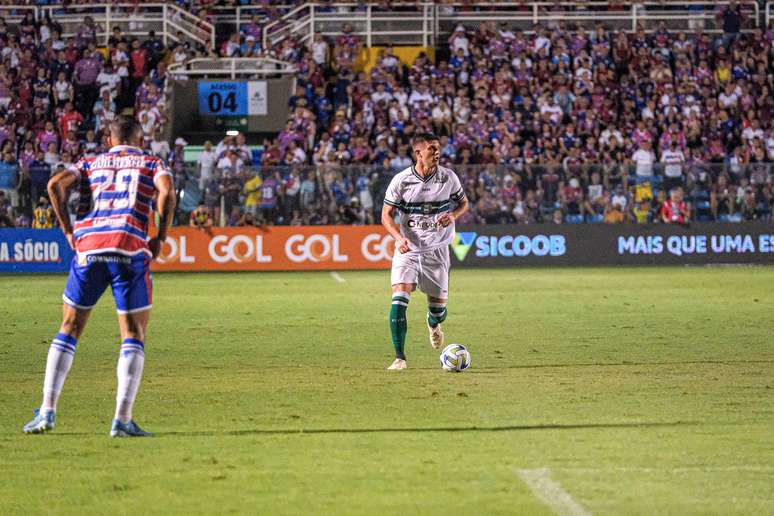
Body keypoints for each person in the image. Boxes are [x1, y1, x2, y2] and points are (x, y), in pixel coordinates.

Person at [23, 116, 175, 438]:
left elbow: (54, 186)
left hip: (89, 250)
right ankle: (122, 419)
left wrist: (67, 230)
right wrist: (160, 236)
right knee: (133, 334)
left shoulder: (90, 162)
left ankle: (47, 412)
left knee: (69, 328)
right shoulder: (151, 162)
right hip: (129, 250)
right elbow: (167, 193)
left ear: (109, 139)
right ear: (140, 139)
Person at [381, 133, 469, 371]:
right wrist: (398, 238)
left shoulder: (448, 178)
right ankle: (400, 357)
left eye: (438, 148)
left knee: (438, 311)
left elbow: (464, 203)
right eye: (432, 148)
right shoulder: (401, 181)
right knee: (399, 299)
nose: (437, 152)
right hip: (408, 250)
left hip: (437, 251)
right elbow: (385, 215)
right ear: (418, 153)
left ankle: (434, 324)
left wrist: (452, 215)